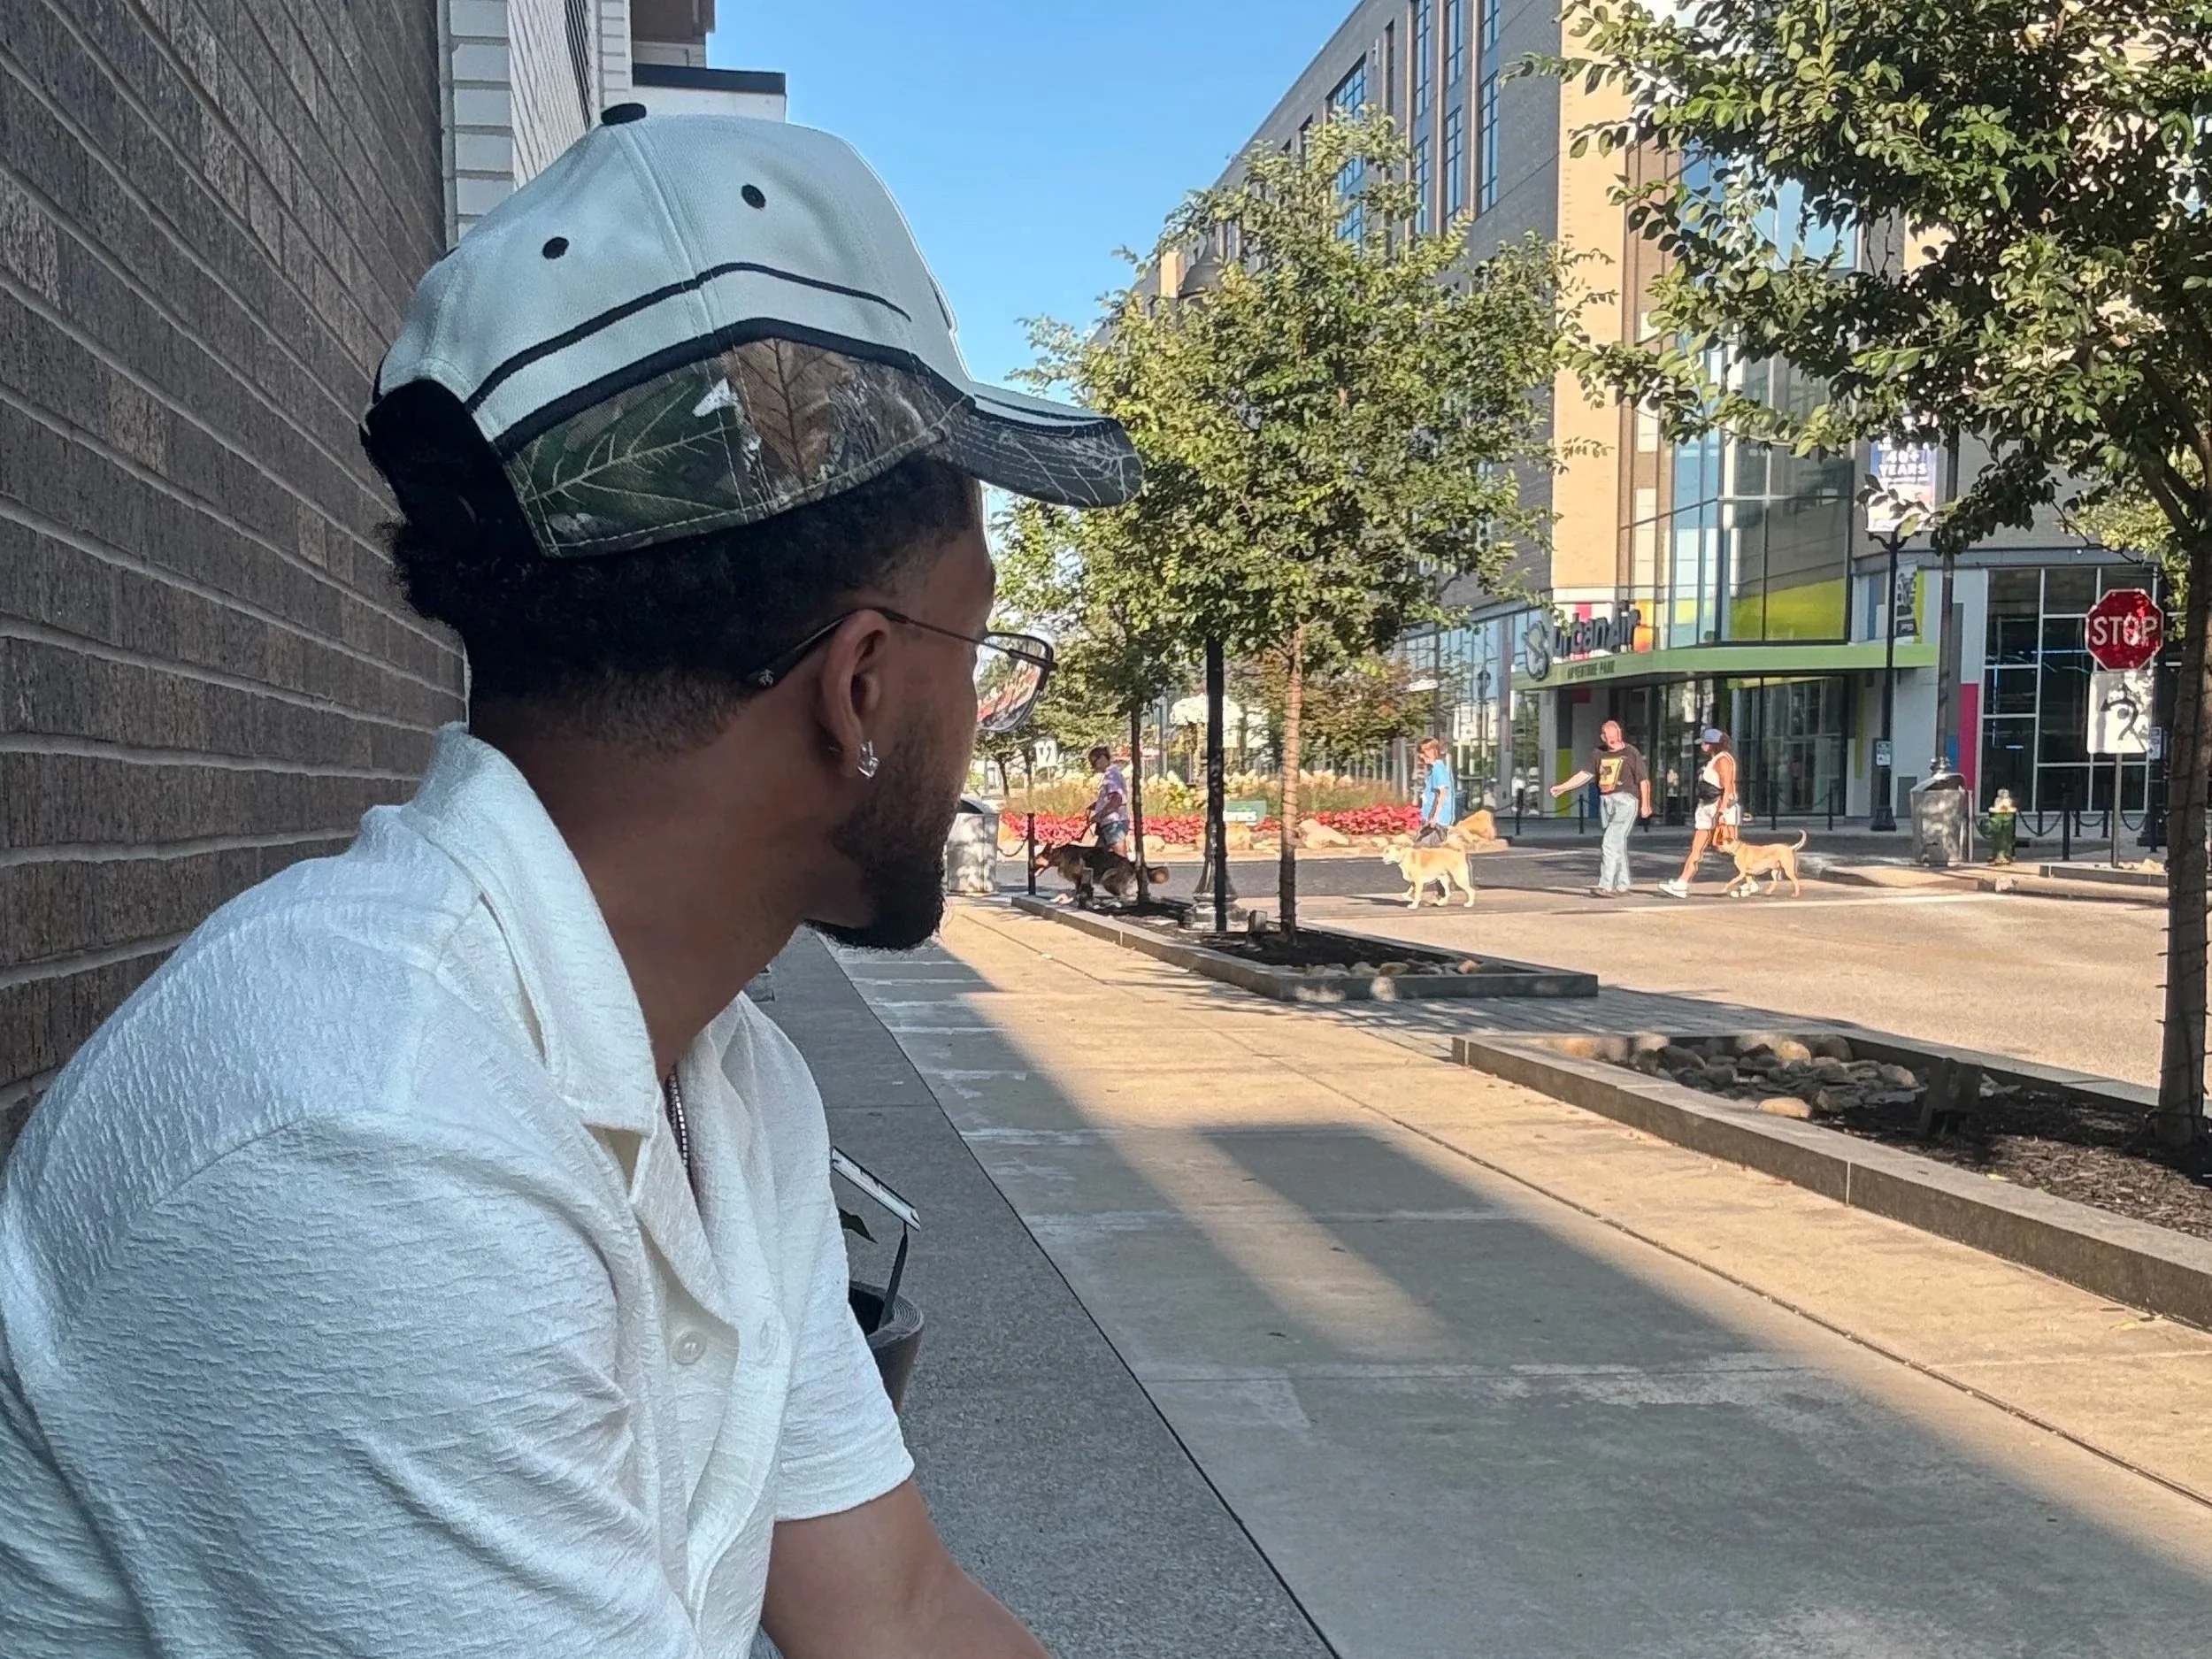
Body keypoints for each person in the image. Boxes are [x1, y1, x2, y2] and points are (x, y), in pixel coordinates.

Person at [0, 111, 1142, 1659]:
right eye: (984, 648)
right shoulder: (370, 1137)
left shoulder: (729, 1090)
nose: (981, 719)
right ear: (861, 689)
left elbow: (897, 1612)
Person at [1550, 719, 1651, 895]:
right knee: (1617, 844)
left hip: (1626, 800)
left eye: (1616, 736)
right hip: (1606, 801)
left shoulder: (1631, 752)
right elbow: (1585, 775)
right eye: (1609, 738)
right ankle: (1623, 884)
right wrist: (1563, 787)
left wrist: (1646, 804)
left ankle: (1606, 885)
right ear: (1603, 737)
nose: (1613, 741)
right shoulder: (1598, 753)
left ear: (1620, 734)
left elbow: (1643, 780)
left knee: (1609, 842)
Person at [1660, 727, 1740, 897]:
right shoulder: (1715, 760)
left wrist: (1722, 811)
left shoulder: (1723, 760)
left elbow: (1728, 787)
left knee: (1729, 847)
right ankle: (1683, 881)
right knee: (1698, 846)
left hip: (1717, 807)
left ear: (1712, 745)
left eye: (1705, 743)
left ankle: (1750, 878)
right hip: (1707, 806)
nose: (1702, 746)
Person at [1087, 743, 1130, 854]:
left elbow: (1116, 799)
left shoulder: (1112, 775)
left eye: (1093, 762)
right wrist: (1097, 805)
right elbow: (1110, 798)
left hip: (1115, 822)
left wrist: (1100, 815)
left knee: (1119, 857)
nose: (1093, 766)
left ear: (1102, 758)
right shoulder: (1109, 775)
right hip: (1108, 823)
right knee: (1099, 856)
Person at [1416, 736, 1456, 846]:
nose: (1421, 756)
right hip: (1432, 819)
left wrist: (1435, 817)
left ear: (1433, 751)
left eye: (1423, 752)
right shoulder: (1436, 769)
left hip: (1438, 822)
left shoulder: (1438, 769)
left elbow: (1442, 793)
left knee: (1421, 849)